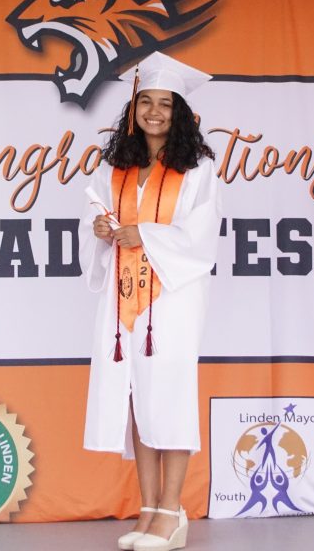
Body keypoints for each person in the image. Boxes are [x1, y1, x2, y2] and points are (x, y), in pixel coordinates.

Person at [80, 52, 221, 551]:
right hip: (123, 299)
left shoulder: (198, 169)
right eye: (146, 102)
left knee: (171, 396)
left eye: (165, 104)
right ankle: (149, 508)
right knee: (137, 397)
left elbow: (201, 236)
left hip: (173, 300)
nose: (154, 112)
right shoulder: (115, 167)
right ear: (133, 109)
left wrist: (146, 234)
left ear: (179, 112)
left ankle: (172, 510)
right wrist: (101, 229)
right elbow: (96, 214)